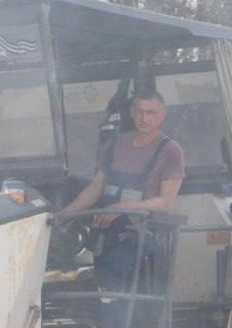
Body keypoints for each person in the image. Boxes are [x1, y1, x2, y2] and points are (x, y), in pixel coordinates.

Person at [60, 91, 186, 301]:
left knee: (115, 273)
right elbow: (95, 189)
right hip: (105, 232)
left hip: (142, 234)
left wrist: (122, 208)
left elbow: (165, 202)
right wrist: (62, 216)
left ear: (162, 115)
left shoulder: (171, 151)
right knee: (89, 278)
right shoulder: (115, 144)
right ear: (131, 113)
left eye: (151, 113)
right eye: (139, 112)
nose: (144, 118)